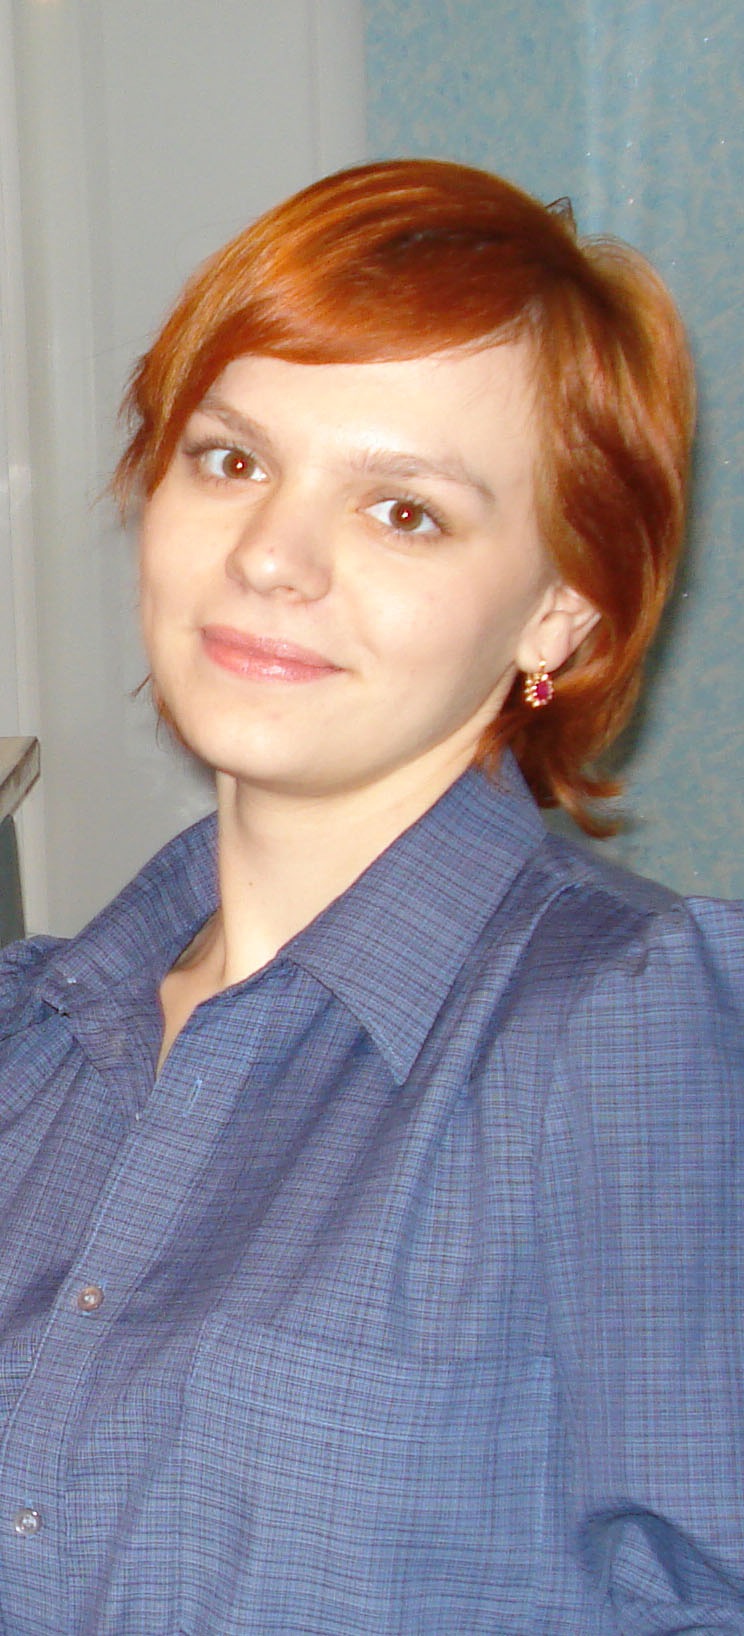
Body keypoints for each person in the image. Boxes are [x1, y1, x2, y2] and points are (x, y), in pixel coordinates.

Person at [0, 157, 741, 1636]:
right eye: (230, 461)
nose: (270, 557)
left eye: (404, 511)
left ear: (559, 610)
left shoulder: (634, 1036)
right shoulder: (32, 1039)